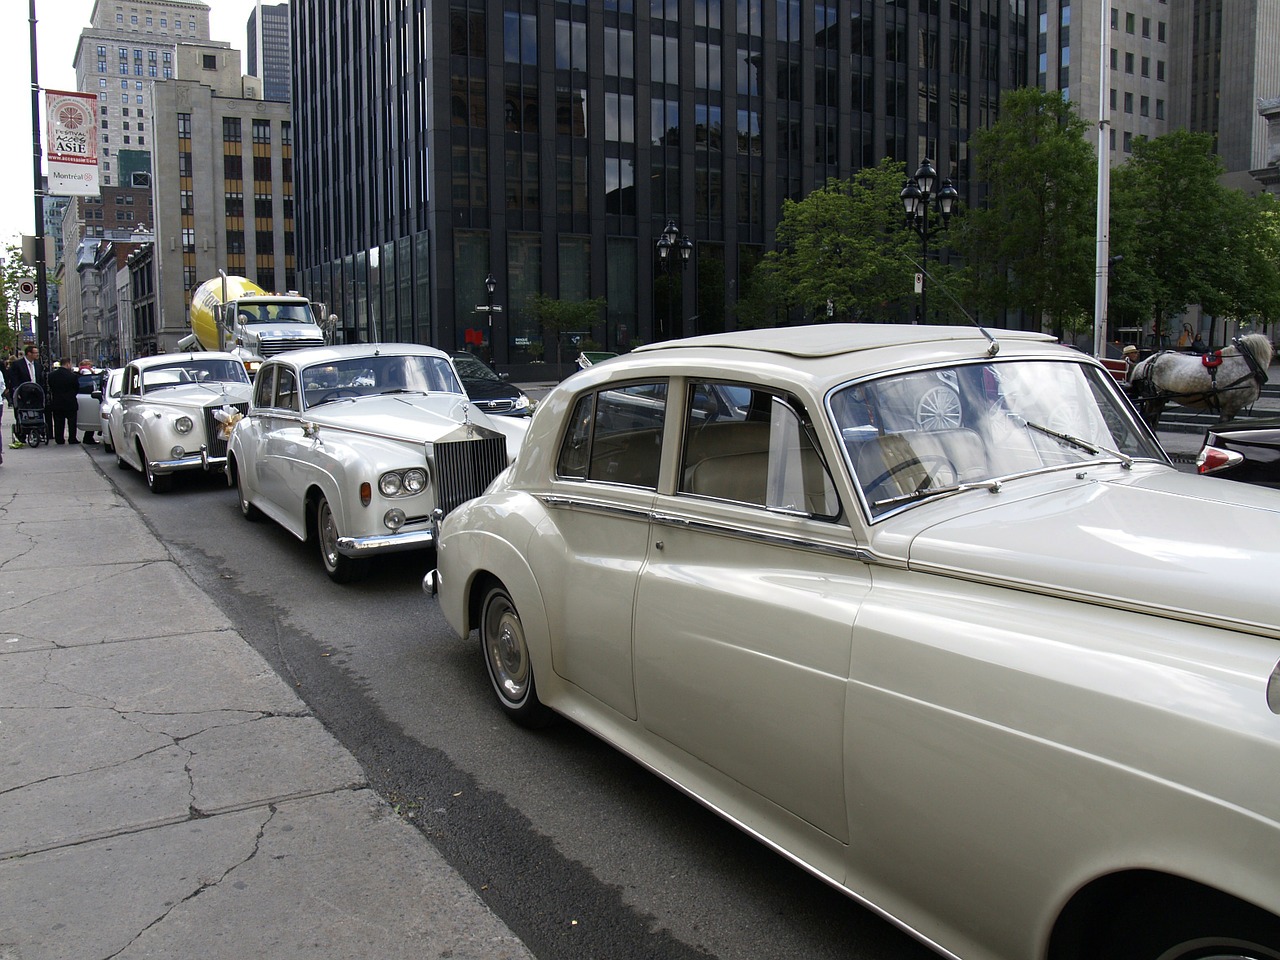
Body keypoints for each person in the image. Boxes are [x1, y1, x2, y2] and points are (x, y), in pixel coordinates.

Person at [5, 344, 45, 448]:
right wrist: (16, 392)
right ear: (29, 353)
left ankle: (37, 431)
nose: (37, 355)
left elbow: (40, 379)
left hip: (35, 394)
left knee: (37, 412)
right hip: (22, 394)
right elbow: (14, 380)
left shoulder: (38, 365)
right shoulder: (17, 365)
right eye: (35, 353)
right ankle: (22, 433)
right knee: (21, 413)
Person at [47, 358, 81, 445]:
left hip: (57, 402)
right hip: (70, 402)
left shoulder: (51, 375)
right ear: (68, 364)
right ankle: (72, 438)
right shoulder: (72, 376)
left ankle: (59, 439)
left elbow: (51, 387)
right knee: (72, 422)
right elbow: (76, 388)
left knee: (58, 422)